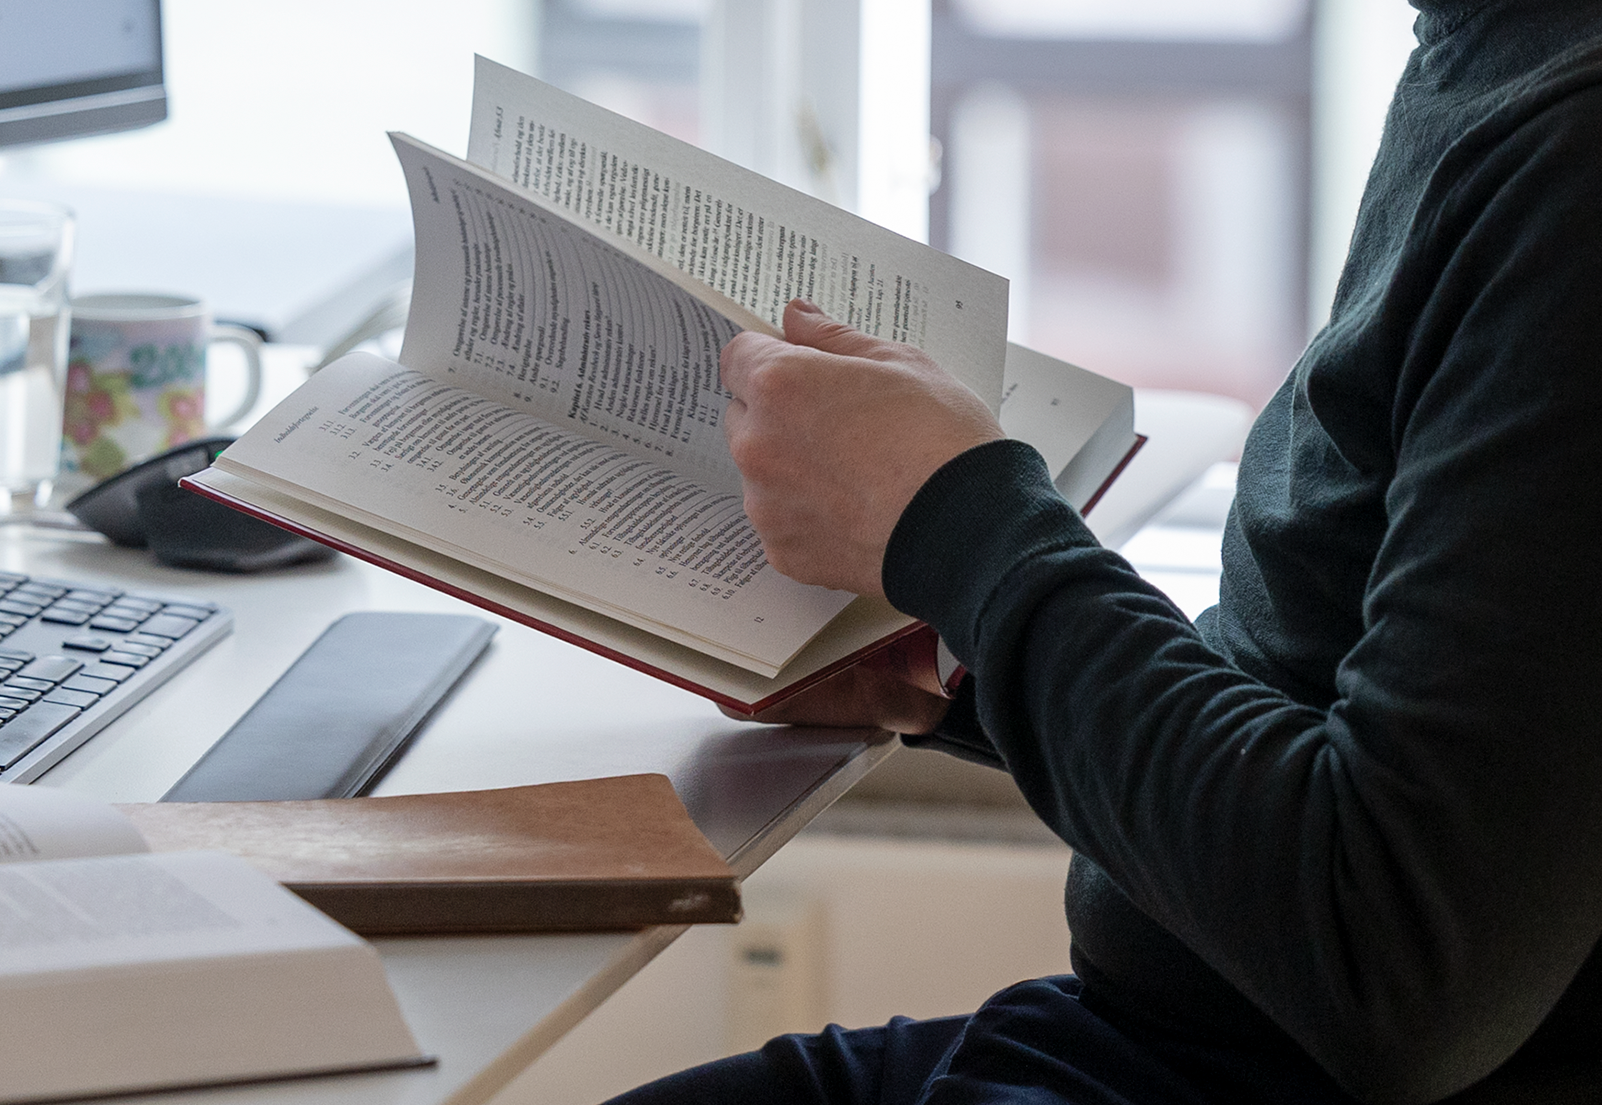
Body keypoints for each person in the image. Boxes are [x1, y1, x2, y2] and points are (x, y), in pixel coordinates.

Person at [609, 2, 1602, 1102]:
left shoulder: (1572, 154)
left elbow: (1402, 961)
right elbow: (1346, 706)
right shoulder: (1494, 50)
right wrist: (964, 675)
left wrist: (961, 524)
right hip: (1148, 1036)